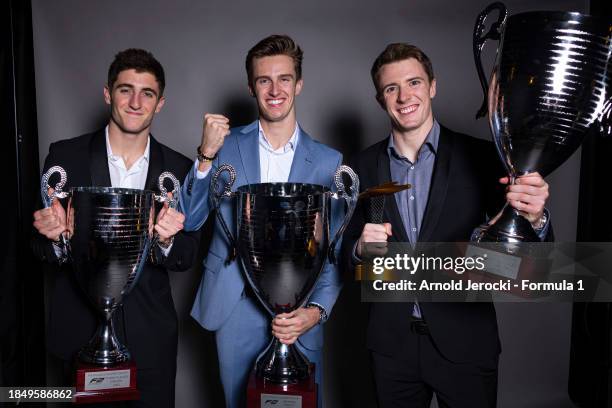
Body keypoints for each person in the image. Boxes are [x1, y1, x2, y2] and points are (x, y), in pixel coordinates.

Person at [341, 43, 552, 408]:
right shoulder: (360, 166)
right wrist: (359, 250)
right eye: (392, 88)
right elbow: (344, 255)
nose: (404, 96)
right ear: (380, 99)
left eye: (414, 82)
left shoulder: (484, 157)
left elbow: (534, 263)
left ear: (432, 87)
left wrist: (536, 218)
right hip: (391, 347)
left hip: (466, 343)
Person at [180, 34, 342, 408]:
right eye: (263, 80)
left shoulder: (328, 161)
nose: (275, 89)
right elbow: (189, 221)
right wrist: (204, 156)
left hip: (300, 313)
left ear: (298, 84)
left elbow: (333, 253)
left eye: (284, 78)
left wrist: (315, 312)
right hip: (234, 304)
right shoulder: (223, 147)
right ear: (251, 87)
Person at [32, 48, 198, 407]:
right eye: (126, 90)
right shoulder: (65, 156)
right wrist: (56, 237)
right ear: (108, 93)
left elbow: (187, 255)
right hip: (79, 333)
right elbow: (38, 249)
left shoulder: (180, 169)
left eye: (147, 93)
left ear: (160, 103)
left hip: (149, 338)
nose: (136, 102)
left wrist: (167, 242)